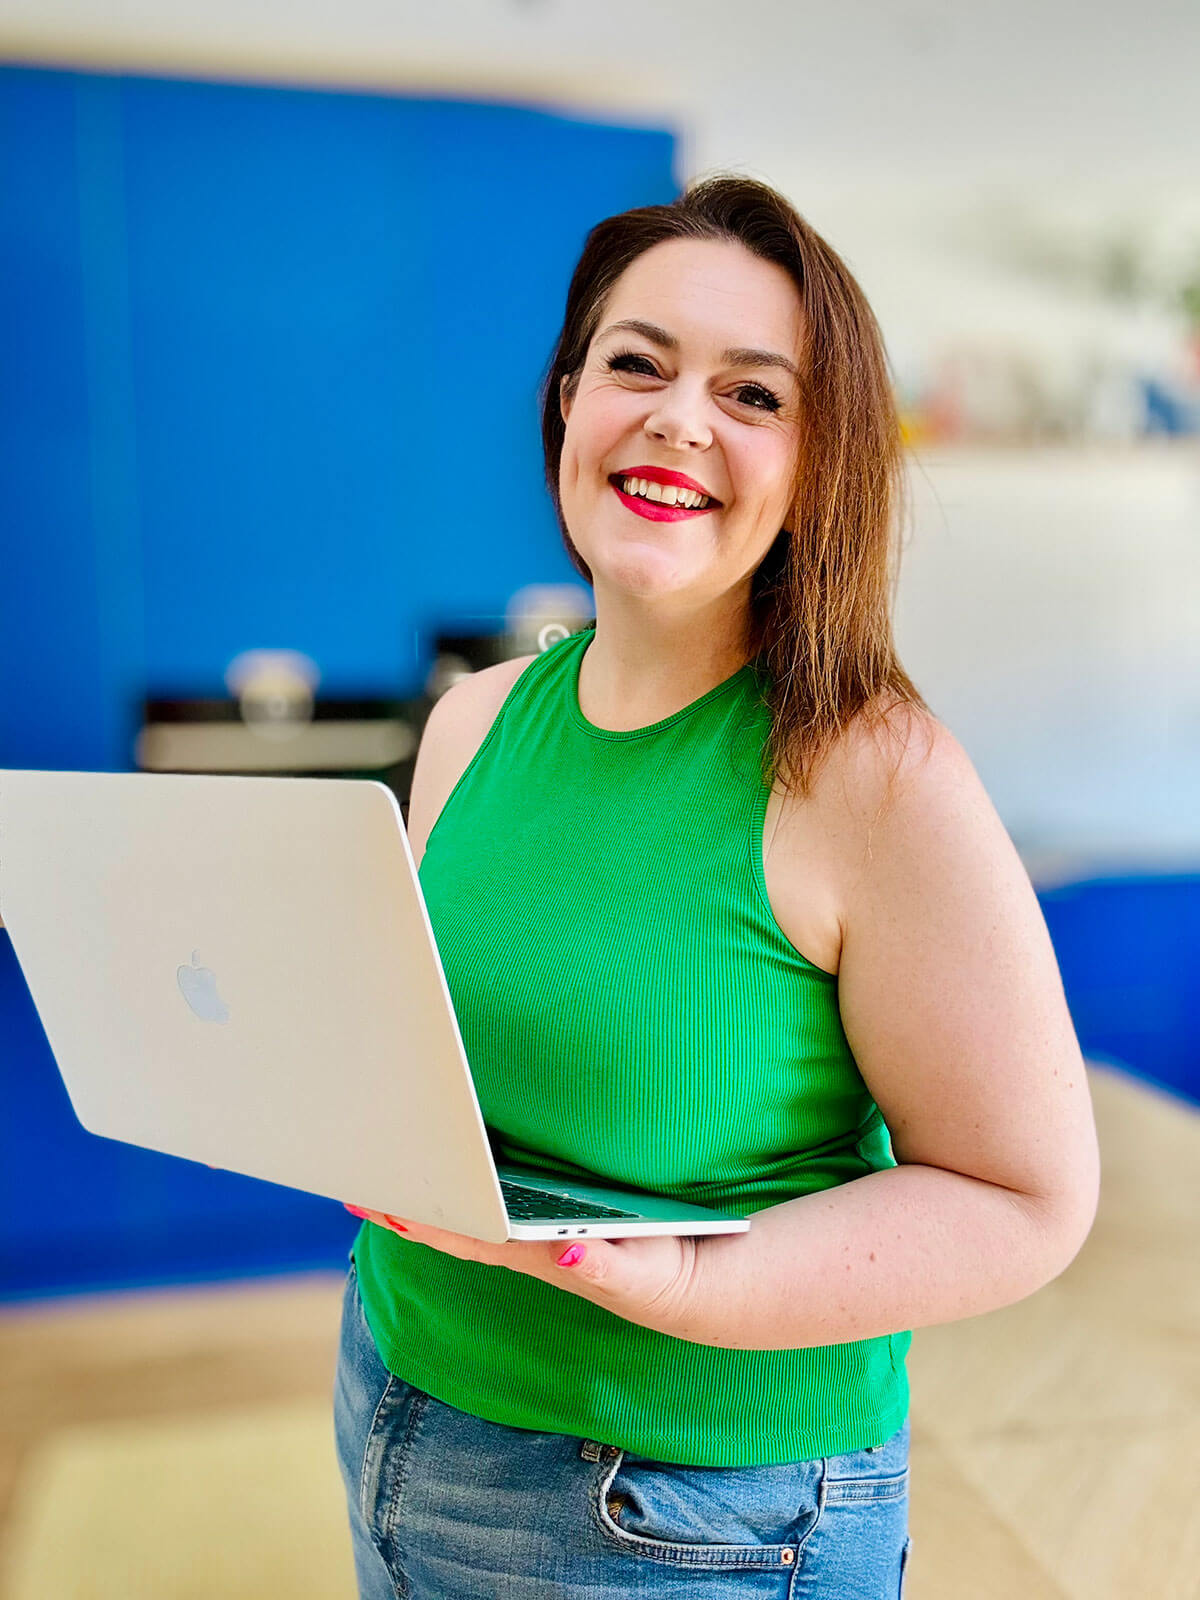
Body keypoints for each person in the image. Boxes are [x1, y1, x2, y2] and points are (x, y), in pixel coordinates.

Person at [333, 174, 1101, 1599]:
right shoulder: (475, 721)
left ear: (821, 468)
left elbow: (1023, 1197)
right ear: (567, 404)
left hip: (688, 1510)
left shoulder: (873, 777)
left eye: (755, 395)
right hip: (398, 1398)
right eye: (637, 364)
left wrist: (695, 1283)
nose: (679, 417)